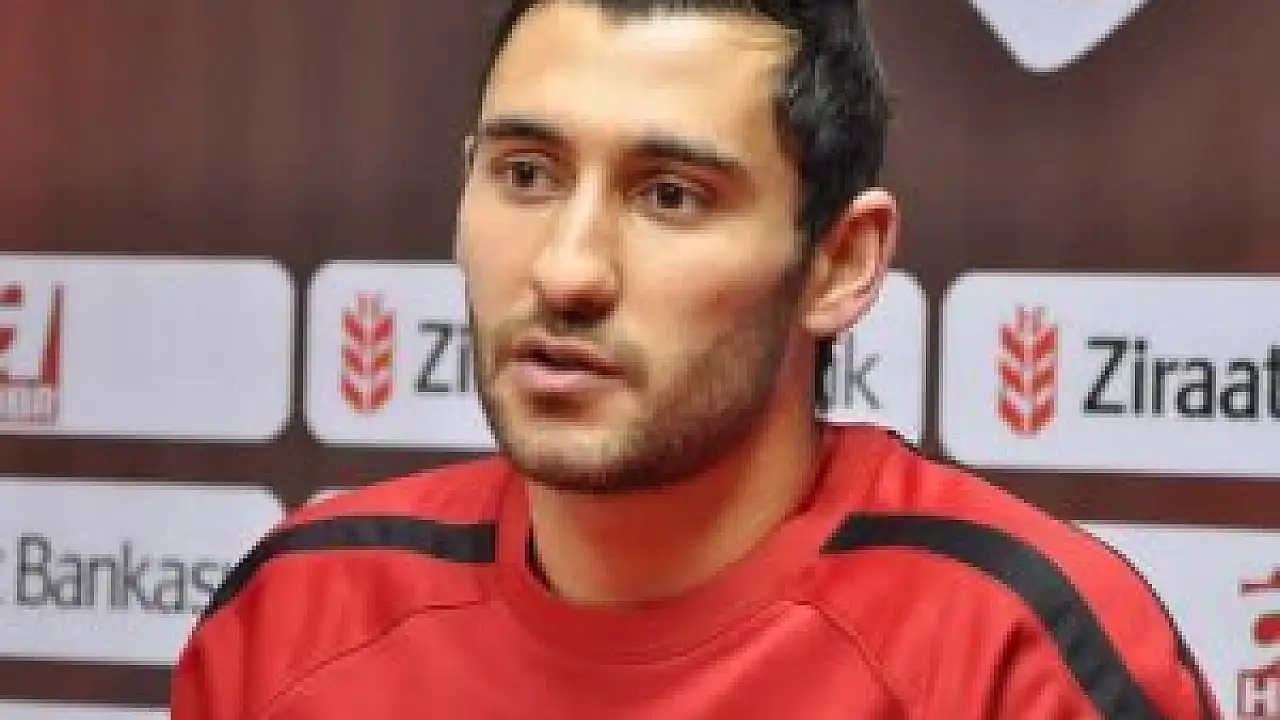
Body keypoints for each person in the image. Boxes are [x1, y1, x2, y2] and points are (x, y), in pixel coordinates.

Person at [172, 1, 1219, 717]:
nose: (567, 269)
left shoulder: (1014, 653)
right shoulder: (296, 609)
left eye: (669, 195)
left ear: (839, 263)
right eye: (526, 175)